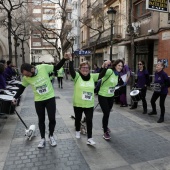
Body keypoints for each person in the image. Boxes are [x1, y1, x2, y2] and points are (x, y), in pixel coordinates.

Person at [12, 54, 69, 148]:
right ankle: (42, 139)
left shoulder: (43, 67)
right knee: (41, 120)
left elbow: (56, 67)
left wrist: (64, 59)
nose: (27, 77)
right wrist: (15, 97)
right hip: (38, 101)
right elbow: (22, 88)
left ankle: (51, 136)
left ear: (32, 69)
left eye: (27, 74)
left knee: (52, 119)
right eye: (25, 75)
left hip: (50, 98)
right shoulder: (27, 78)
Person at [68, 53, 109, 145]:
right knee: (78, 119)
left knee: (89, 120)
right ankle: (78, 131)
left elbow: (101, 75)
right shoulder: (77, 76)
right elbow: (71, 71)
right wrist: (70, 60)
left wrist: (105, 67)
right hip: (78, 103)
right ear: (80, 69)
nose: (85, 69)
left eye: (87, 67)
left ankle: (90, 138)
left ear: (89, 69)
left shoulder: (92, 76)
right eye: (83, 67)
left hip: (89, 104)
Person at [98, 59, 124, 140]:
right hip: (102, 95)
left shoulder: (117, 74)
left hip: (111, 96)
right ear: (115, 65)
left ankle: (104, 126)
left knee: (107, 113)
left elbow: (119, 83)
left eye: (121, 66)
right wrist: (104, 66)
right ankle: (105, 132)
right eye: (119, 65)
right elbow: (101, 75)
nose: (120, 67)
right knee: (106, 113)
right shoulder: (110, 71)